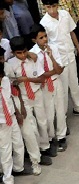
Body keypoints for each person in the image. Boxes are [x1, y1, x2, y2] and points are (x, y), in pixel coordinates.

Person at [40, 0, 79, 114]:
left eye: (54, 6)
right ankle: (63, 115)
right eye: (48, 7)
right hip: (58, 60)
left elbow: (72, 33)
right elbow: (45, 44)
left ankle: (78, 107)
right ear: (44, 7)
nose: (52, 10)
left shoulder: (65, 15)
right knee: (63, 88)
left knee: (74, 82)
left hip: (70, 54)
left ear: (58, 5)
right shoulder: (44, 23)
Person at [5, 35, 50, 172]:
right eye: (19, 53)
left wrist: (26, 79)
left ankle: (44, 147)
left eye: (24, 51)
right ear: (13, 53)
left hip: (36, 93)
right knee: (30, 130)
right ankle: (35, 160)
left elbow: (41, 78)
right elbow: (12, 86)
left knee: (42, 121)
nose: (23, 55)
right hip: (23, 98)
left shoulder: (32, 58)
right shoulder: (10, 65)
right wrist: (20, 106)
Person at [29, 24, 66, 153]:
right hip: (43, 85)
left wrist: (51, 57)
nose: (45, 39)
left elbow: (59, 70)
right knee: (48, 113)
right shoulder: (33, 54)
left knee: (60, 109)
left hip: (56, 82)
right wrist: (52, 71)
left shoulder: (53, 48)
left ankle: (61, 136)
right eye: (41, 37)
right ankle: (50, 137)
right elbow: (40, 75)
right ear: (34, 40)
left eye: (45, 36)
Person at [0, 61, 24, 184]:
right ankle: (8, 181)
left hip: (11, 117)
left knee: (18, 143)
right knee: (6, 151)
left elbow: (9, 98)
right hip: (2, 123)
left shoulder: (5, 81)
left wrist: (17, 113)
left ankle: (18, 168)